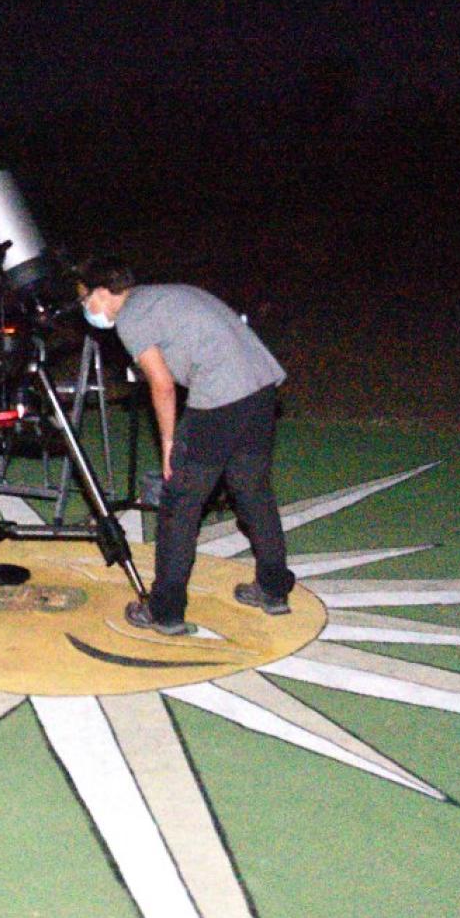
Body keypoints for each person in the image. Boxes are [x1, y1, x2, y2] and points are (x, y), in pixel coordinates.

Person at [79, 257, 295, 637]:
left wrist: (168, 442)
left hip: (221, 400)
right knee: (253, 492)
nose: (87, 310)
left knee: (180, 505)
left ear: (102, 292)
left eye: (86, 301)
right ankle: (274, 589)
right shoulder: (164, 295)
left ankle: (165, 611)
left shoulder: (131, 317)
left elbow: (160, 384)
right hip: (260, 392)